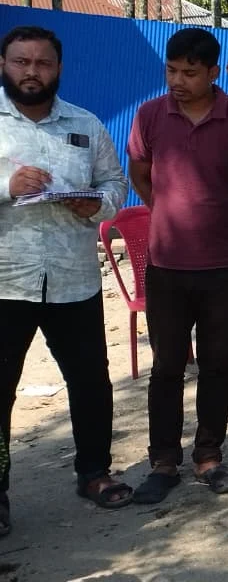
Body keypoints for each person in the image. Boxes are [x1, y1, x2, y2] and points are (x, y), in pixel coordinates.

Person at [0, 26, 132, 534]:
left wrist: (94, 204)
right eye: (21, 61)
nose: (31, 72)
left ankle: (94, 473)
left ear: (58, 68)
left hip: (74, 278)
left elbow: (114, 183)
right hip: (6, 281)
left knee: (91, 381)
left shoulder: (85, 123)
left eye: (43, 63)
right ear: (4, 64)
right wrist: (7, 186)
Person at [128, 28, 228, 503]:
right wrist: (167, 212)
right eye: (172, 71)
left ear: (214, 73)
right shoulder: (150, 115)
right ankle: (163, 462)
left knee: (219, 364)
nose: (178, 81)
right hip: (166, 265)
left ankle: (209, 457)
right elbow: (141, 174)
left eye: (190, 73)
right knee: (167, 366)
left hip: (222, 265)